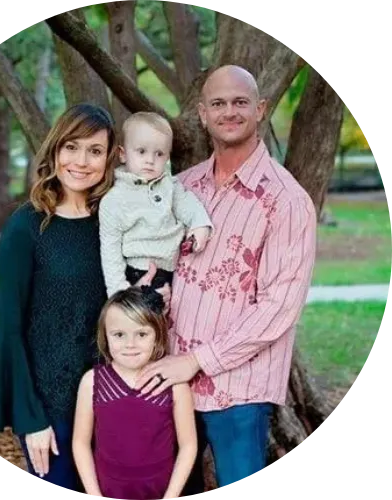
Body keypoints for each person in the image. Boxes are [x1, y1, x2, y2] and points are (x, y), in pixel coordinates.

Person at [133, 65, 318, 491]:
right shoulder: (181, 188)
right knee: (169, 489)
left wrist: (197, 361)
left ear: (261, 109)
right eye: (218, 103)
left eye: (240, 102)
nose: (229, 112)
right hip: (169, 376)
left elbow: (278, 307)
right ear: (203, 114)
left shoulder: (287, 201)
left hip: (239, 391)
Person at [0, 103, 169, 492]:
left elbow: (133, 298)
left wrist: (156, 293)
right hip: (50, 405)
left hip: (113, 395)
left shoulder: (116, 219)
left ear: (111, 158)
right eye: (72, 147)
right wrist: (30, 418)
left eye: (95, 151)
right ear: (55, 149)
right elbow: (10, 332)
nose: (81, 161)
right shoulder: (26, 227)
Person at [72, 286, 198, 500]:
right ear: (105, 336)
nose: (130, 344)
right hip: (107, 492)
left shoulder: (174, 385)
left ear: (157, 335)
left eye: (141, 334)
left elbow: (188, 445)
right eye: (119, 335)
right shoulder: (91, 382)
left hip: (161, 492)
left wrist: (170, 497)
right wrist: (94, 495)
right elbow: (80, 443)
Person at [98, 111, 214, 298]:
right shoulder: (115, 200)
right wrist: (120, 293)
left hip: (173, 271)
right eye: (141, 151)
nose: (150, 160)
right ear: (123, 154)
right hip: (136, 272)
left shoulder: (170, 186)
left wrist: (200, 225)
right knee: (147, 314)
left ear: (167, 158)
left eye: (159, 154)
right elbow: (110, 251)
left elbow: (189, 206)